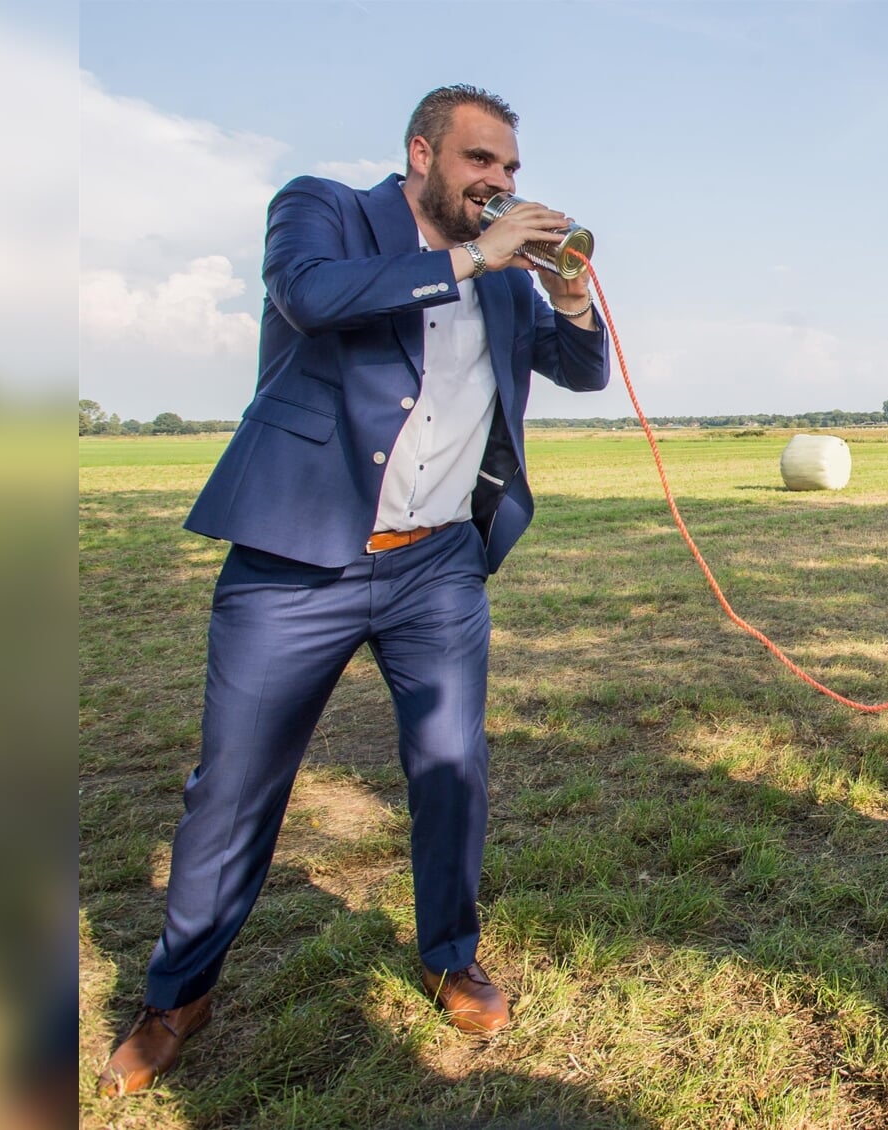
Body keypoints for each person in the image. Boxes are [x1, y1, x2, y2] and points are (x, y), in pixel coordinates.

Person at [99, 84, 611, 1095]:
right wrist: (474, 255)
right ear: (422, 152)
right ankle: (179, 992)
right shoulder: (323, 208)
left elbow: (584, 372)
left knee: (452, 765)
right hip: (296, 557)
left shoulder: (509, 276)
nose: (498, 184)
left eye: (509, 169)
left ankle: (448, 954)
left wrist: (568, 297)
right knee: (234, 786)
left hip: (438, 564)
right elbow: (314, 296)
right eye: (479, 162)